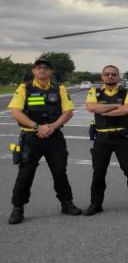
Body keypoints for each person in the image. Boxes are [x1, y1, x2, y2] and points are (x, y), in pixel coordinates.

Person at [7, 57, 82, 224]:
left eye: (45, 68)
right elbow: (16, 112)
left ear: (50, 72)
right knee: (25, 174)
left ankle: (66, 203)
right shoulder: (24, 88)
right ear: (33, 70)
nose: (42, 70)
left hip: (54, 136)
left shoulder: (59, 88)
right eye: (38, 67)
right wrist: (37, 127)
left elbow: (68, 112)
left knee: (60, 172)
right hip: (31, 137)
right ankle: (17, 208)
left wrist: (52, 127)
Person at [84, 65, 128, 215]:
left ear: (118, 77)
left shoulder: (127, 92)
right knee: (98, 172)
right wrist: (116, 106)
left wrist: (103, 110)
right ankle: (96, 203)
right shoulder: (94, 92)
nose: (110, 76)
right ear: (102, 77)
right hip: (101, 139)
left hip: (123, 138)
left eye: (113, 74)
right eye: (107, 74)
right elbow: (92, 107)